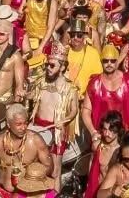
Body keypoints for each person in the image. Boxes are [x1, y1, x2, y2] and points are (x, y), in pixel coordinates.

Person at [28, 43, 79, 179]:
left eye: (52, 66)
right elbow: (32, 97)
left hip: (55, 130)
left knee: (55, 171)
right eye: (47, 65)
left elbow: (74, 110)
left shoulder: (70, 88)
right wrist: (24, 94)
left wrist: (64, 121)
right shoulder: (41, 82)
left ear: (62, 67)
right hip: (38, 127)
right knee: (34, 166)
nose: (48, 68)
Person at [0, 104, 53, 198]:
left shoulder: (35, 141)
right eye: (18, 124)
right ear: (8, 124)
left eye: (25, 123)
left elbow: (49, 167)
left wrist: (31, 175)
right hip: (0, 193)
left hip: (26, 194)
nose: (23, 127)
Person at [82, 44, 129, 140]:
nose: (109, 64)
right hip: (102, 135)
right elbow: (86, 110)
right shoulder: (94, 83)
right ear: (101, 62)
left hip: (125, 135)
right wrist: (93, 132)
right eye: (106, 61)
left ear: (117, 61)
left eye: (112, 61)